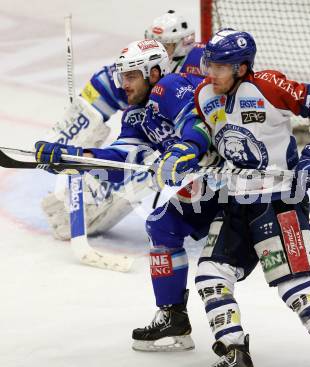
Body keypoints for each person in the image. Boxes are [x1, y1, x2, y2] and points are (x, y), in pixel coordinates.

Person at [151, 29, 310, 366]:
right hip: (235, 204)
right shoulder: (204, 95)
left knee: (295, 283)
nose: (210, 72)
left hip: (278, 202)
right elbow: (207, 138)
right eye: (209, 64)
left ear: (242, 67)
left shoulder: (268, 85)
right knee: (212, 275)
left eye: (219, 67)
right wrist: (187, 152)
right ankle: (234, 353)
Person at [42, 10, 205, 241]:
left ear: (155, 72)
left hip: (238, 170)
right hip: (207, 180)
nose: (124, 85)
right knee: (161, 230)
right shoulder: (138, 113)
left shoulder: (175, 84)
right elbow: (123, 158)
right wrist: (76, 157)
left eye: (131, 77)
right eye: (123, 77)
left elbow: (195, 122)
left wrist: (186, 148)